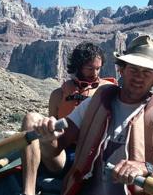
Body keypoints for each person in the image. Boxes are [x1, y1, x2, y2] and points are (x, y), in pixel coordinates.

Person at [23, 35, 153, 195]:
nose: (138, 77)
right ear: (121, 70)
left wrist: (145, 168)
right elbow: (54, 152)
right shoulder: (94, 103)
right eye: (133, 69)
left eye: (147, 72)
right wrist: (48, 139)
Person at [21, 42, 115, 195]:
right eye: (90, 68)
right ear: (78, 67)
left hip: (90, 157)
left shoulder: (108, 92)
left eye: (98, 68)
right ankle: (28, 191)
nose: (95, 73)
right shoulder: (58, 95)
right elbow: (52, 124)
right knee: (31, 118)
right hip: (60, 156)